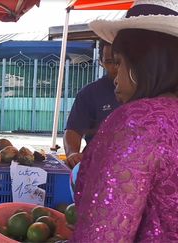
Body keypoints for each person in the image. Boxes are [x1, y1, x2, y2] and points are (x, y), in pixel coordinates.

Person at [73, 0, 178, 241]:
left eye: (119, 63)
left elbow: (104, 233)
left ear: (143, 62)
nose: (115, 77)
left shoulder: (139, 121)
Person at [64, 41, 119, 168]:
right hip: (95, 167)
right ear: (101, 61)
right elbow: (73, 129)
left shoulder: (150, 93)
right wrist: (72, 153)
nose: (116, 68)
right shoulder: (90, 93)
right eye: (110, 62)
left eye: (120, 62)